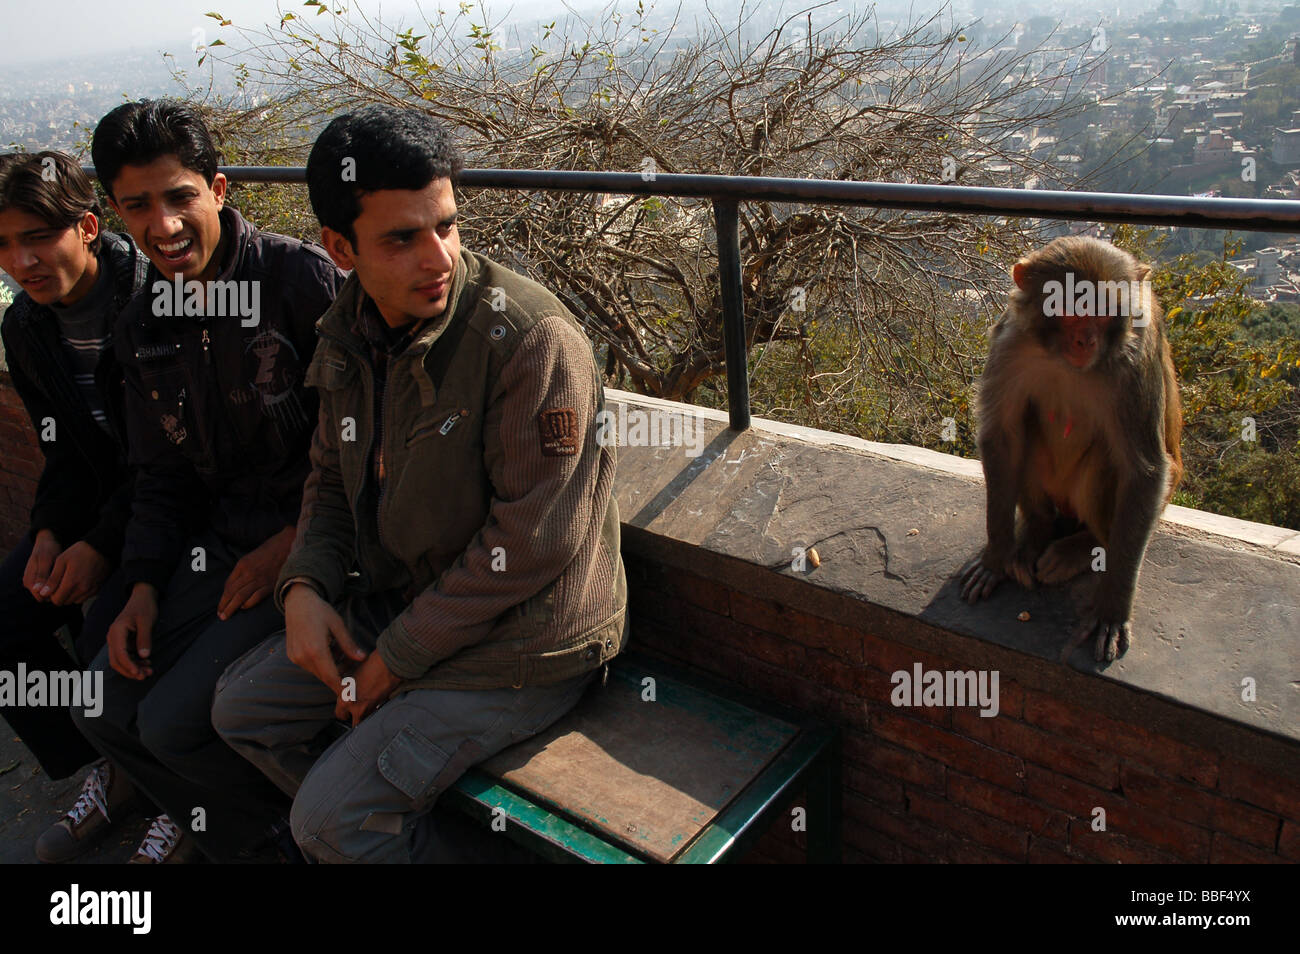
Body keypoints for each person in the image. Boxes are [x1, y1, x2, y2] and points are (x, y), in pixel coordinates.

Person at [212, 105, 627, 863]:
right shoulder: (349, 328)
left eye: (446, 225)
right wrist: (303, 587)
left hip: (524, 641)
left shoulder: (529, 341)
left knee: (327, 823)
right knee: (241, 711)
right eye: (402, 238)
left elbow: (533, 544)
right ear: (340, 248)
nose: (437, 257)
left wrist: (393, 660)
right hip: (412, 599)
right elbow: (330, 479)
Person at [68, 99, 345, 863]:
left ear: (218, 189)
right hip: (218, 550)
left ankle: (287, 838)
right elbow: (160, 477)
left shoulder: (298, 282)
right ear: (114, 211)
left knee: (170, 722)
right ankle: (230, 832)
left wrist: (294, 544)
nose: (163, 225)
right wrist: (144, 584)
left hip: (321, 549)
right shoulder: (145, 325)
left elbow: (368, 447)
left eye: (179, 196)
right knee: (96, 705)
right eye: (137, 205)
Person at [0, 151, 145, 862]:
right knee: (5, 619)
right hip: (94, 506)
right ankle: (107, 767)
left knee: (105, 644)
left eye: (36, 236)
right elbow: (61, 453)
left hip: (174, 509)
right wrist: (52, 534)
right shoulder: (27, 328)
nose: (21, 260)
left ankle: (169, 784)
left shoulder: (150, 299)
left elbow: (176, 462)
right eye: (1, 245)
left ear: (87, 226)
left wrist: (105, 545)